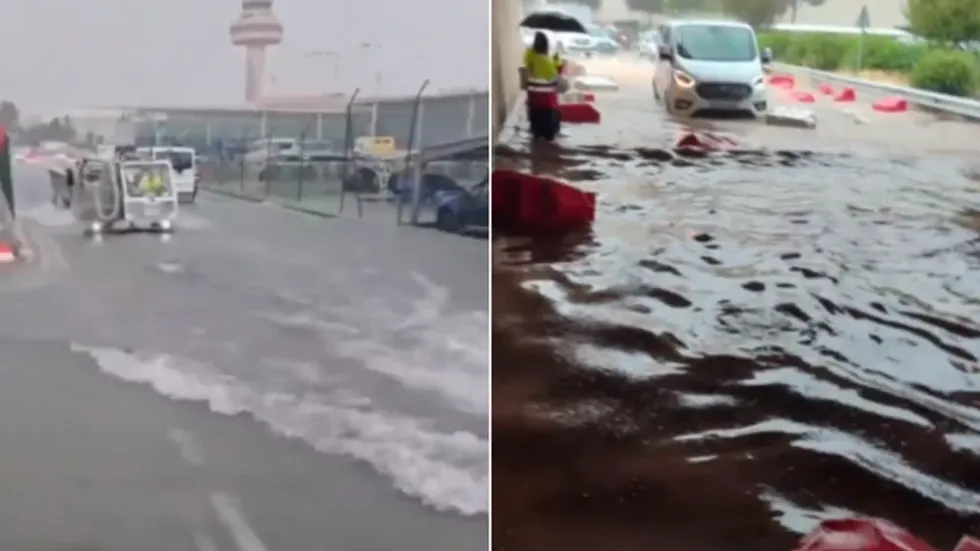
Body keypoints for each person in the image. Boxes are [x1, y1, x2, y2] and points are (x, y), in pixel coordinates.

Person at [522, 32, 561, 141]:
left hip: (533, 99)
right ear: (546, 45)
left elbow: (527, 59)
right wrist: (557, 60)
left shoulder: (530, 56)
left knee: (536, 131)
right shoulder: (546, 60)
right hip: (547, 101)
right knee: (549, 134)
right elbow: (554, 75)